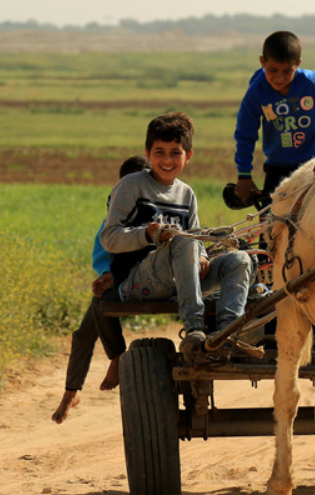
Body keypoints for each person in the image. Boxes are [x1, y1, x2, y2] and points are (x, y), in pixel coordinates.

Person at [102, 111, 253, 356]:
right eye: (159, 152)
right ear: (148, 153)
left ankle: (227, 332)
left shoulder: (186, 193)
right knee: (183, 240)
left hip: (181, 279)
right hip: (138, 283)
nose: (167, 160)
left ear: (188, 156)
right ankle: (194, 328)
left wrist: (203, 256)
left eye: (175, 153)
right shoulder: (131, 185)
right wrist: (146, 235)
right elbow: (109, 238)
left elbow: (196, 236)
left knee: (240, 260)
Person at [51, 155, 148, 424]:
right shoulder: (116, 209)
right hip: (116, 279)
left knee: (98, 308)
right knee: (84, 333)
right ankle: (72, 391)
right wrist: (108, 275)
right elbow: (105, 247)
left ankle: (116, 359)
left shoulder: (162, 203)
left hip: (150, 277)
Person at [233, 30, 315, 205]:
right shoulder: (256, 93)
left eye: (287, 71)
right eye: (273, 70)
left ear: (298, 64)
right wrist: (244, 175)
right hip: (278, 169)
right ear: (262, 62)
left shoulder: (309, 82)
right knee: (272, 226)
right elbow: (245, 134)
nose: (279, 77)